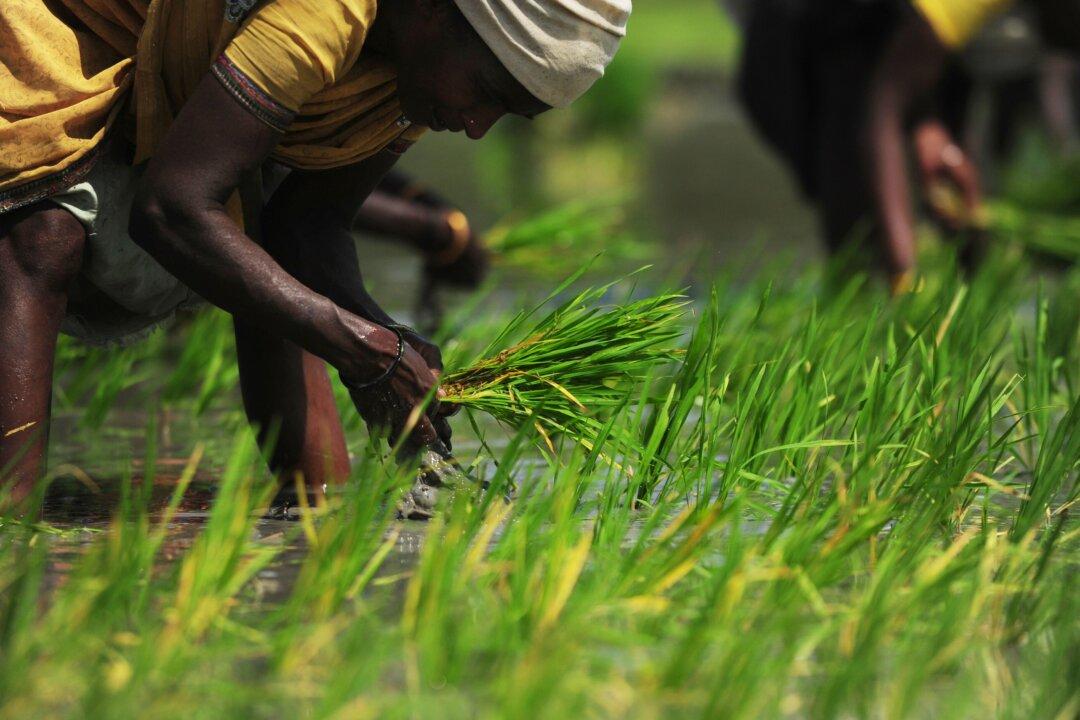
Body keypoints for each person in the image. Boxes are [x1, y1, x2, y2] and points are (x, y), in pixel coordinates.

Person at [0, 0, 631, 513]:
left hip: (179, 73)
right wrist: (361, 350)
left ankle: (315, 505)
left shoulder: (413, 77)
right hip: (62, 32)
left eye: (507, 113)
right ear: (435, 12)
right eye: (487, 90)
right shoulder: (325, 13)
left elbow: (305, 228)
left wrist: (387, 343)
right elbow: (172, 209)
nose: (477, 126)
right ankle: (12, 519)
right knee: (45, 235)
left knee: (269, 250)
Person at [731, 0, 1078, 292]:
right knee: (858, 209)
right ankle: (874, 300)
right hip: (803, 36)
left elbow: (913, 62)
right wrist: (903, 273)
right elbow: (883, 105)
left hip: (877, 40)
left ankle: (966, 297)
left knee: (941, 190)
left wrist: (929, 127)